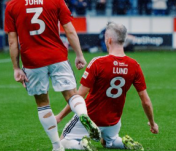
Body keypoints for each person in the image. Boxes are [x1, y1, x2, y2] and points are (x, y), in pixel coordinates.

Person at [4, 0, 101, 151]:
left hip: (32, 61)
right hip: (57, 56)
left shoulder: (13, 5)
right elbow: (69, 30)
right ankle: (83, 115)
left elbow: (12, 41)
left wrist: (16, 67)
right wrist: (79, 55)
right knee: (72, 96)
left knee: (43, 103)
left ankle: (57, 146)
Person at [56, 22, 159, 150]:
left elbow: (79, 96)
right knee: (107, 142)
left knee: (62, 142)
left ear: (109, 40)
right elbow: (146, 101)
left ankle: (82, 145)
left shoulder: (98, 63)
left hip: (91, 118)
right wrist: (152, 123)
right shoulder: (134, 66)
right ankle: (123, 143)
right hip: (113, 121)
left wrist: (59, 116)